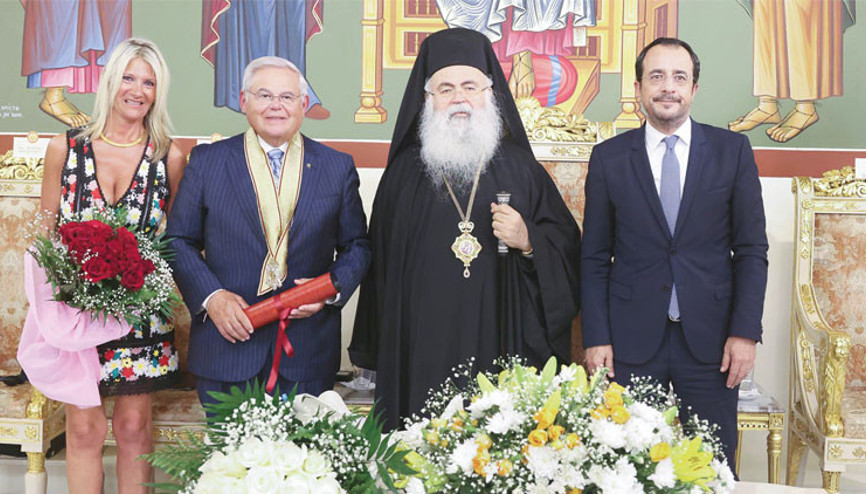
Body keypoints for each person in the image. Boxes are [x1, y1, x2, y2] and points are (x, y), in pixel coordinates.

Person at [349, 28, 581, 429]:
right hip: (420, 348)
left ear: (491, 94)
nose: (459, 97)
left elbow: (568, 247)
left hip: (502, 340)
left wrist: (529, 241)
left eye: (470, 86)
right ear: (427, 100)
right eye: (446, 88)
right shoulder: (402, 176)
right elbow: (380, 272)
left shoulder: (523, 171)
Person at [581, 37, 769, 464]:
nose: (668, 86)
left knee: (712, 468)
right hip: (628, 343)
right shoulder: (609, 158)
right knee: (622, 469)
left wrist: (745, 333)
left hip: (712, 341)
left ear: (694, 89)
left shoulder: (732, 152)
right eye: (657, 76)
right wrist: (596, 337)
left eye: (679, 77)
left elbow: (752, 250)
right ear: (638, 88)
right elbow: (594, 257)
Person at [166, 56, 370, 407]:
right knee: (228, 464)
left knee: (303, 462)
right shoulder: (207, 162)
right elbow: (177, 241)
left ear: (303, 105)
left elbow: (358, 246)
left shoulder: (337, 167)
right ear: (244, 102)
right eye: (264, 95)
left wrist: (329, 291)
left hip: (306, 351)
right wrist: (212, 297)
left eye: (287, 97)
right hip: (227, 345)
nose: (276, 105)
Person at [37, 38, 184, 494]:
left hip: (140, 317)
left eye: (149, 82)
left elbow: (174, 244)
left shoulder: (169, 158)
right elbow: (45, 238)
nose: (137, 90)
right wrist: (59, 297)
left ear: (158, 92)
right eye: (129, 77)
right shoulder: (66, 149)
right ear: (109, 81)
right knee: (82, 430)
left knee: (134, 429)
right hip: (77, 316)